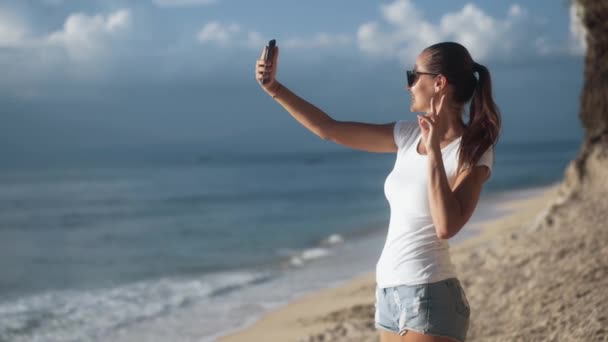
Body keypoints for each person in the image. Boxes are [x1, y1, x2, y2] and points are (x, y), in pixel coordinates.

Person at [255, 41, 501, 342]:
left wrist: (435, 146)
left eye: (413, 76)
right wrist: (274, 88)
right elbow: (329, 129)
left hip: (429, 293)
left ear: (439, 83)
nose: (407, 86)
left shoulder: (473, 152)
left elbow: (446, 226)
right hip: (387, 292)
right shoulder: (408, 135)